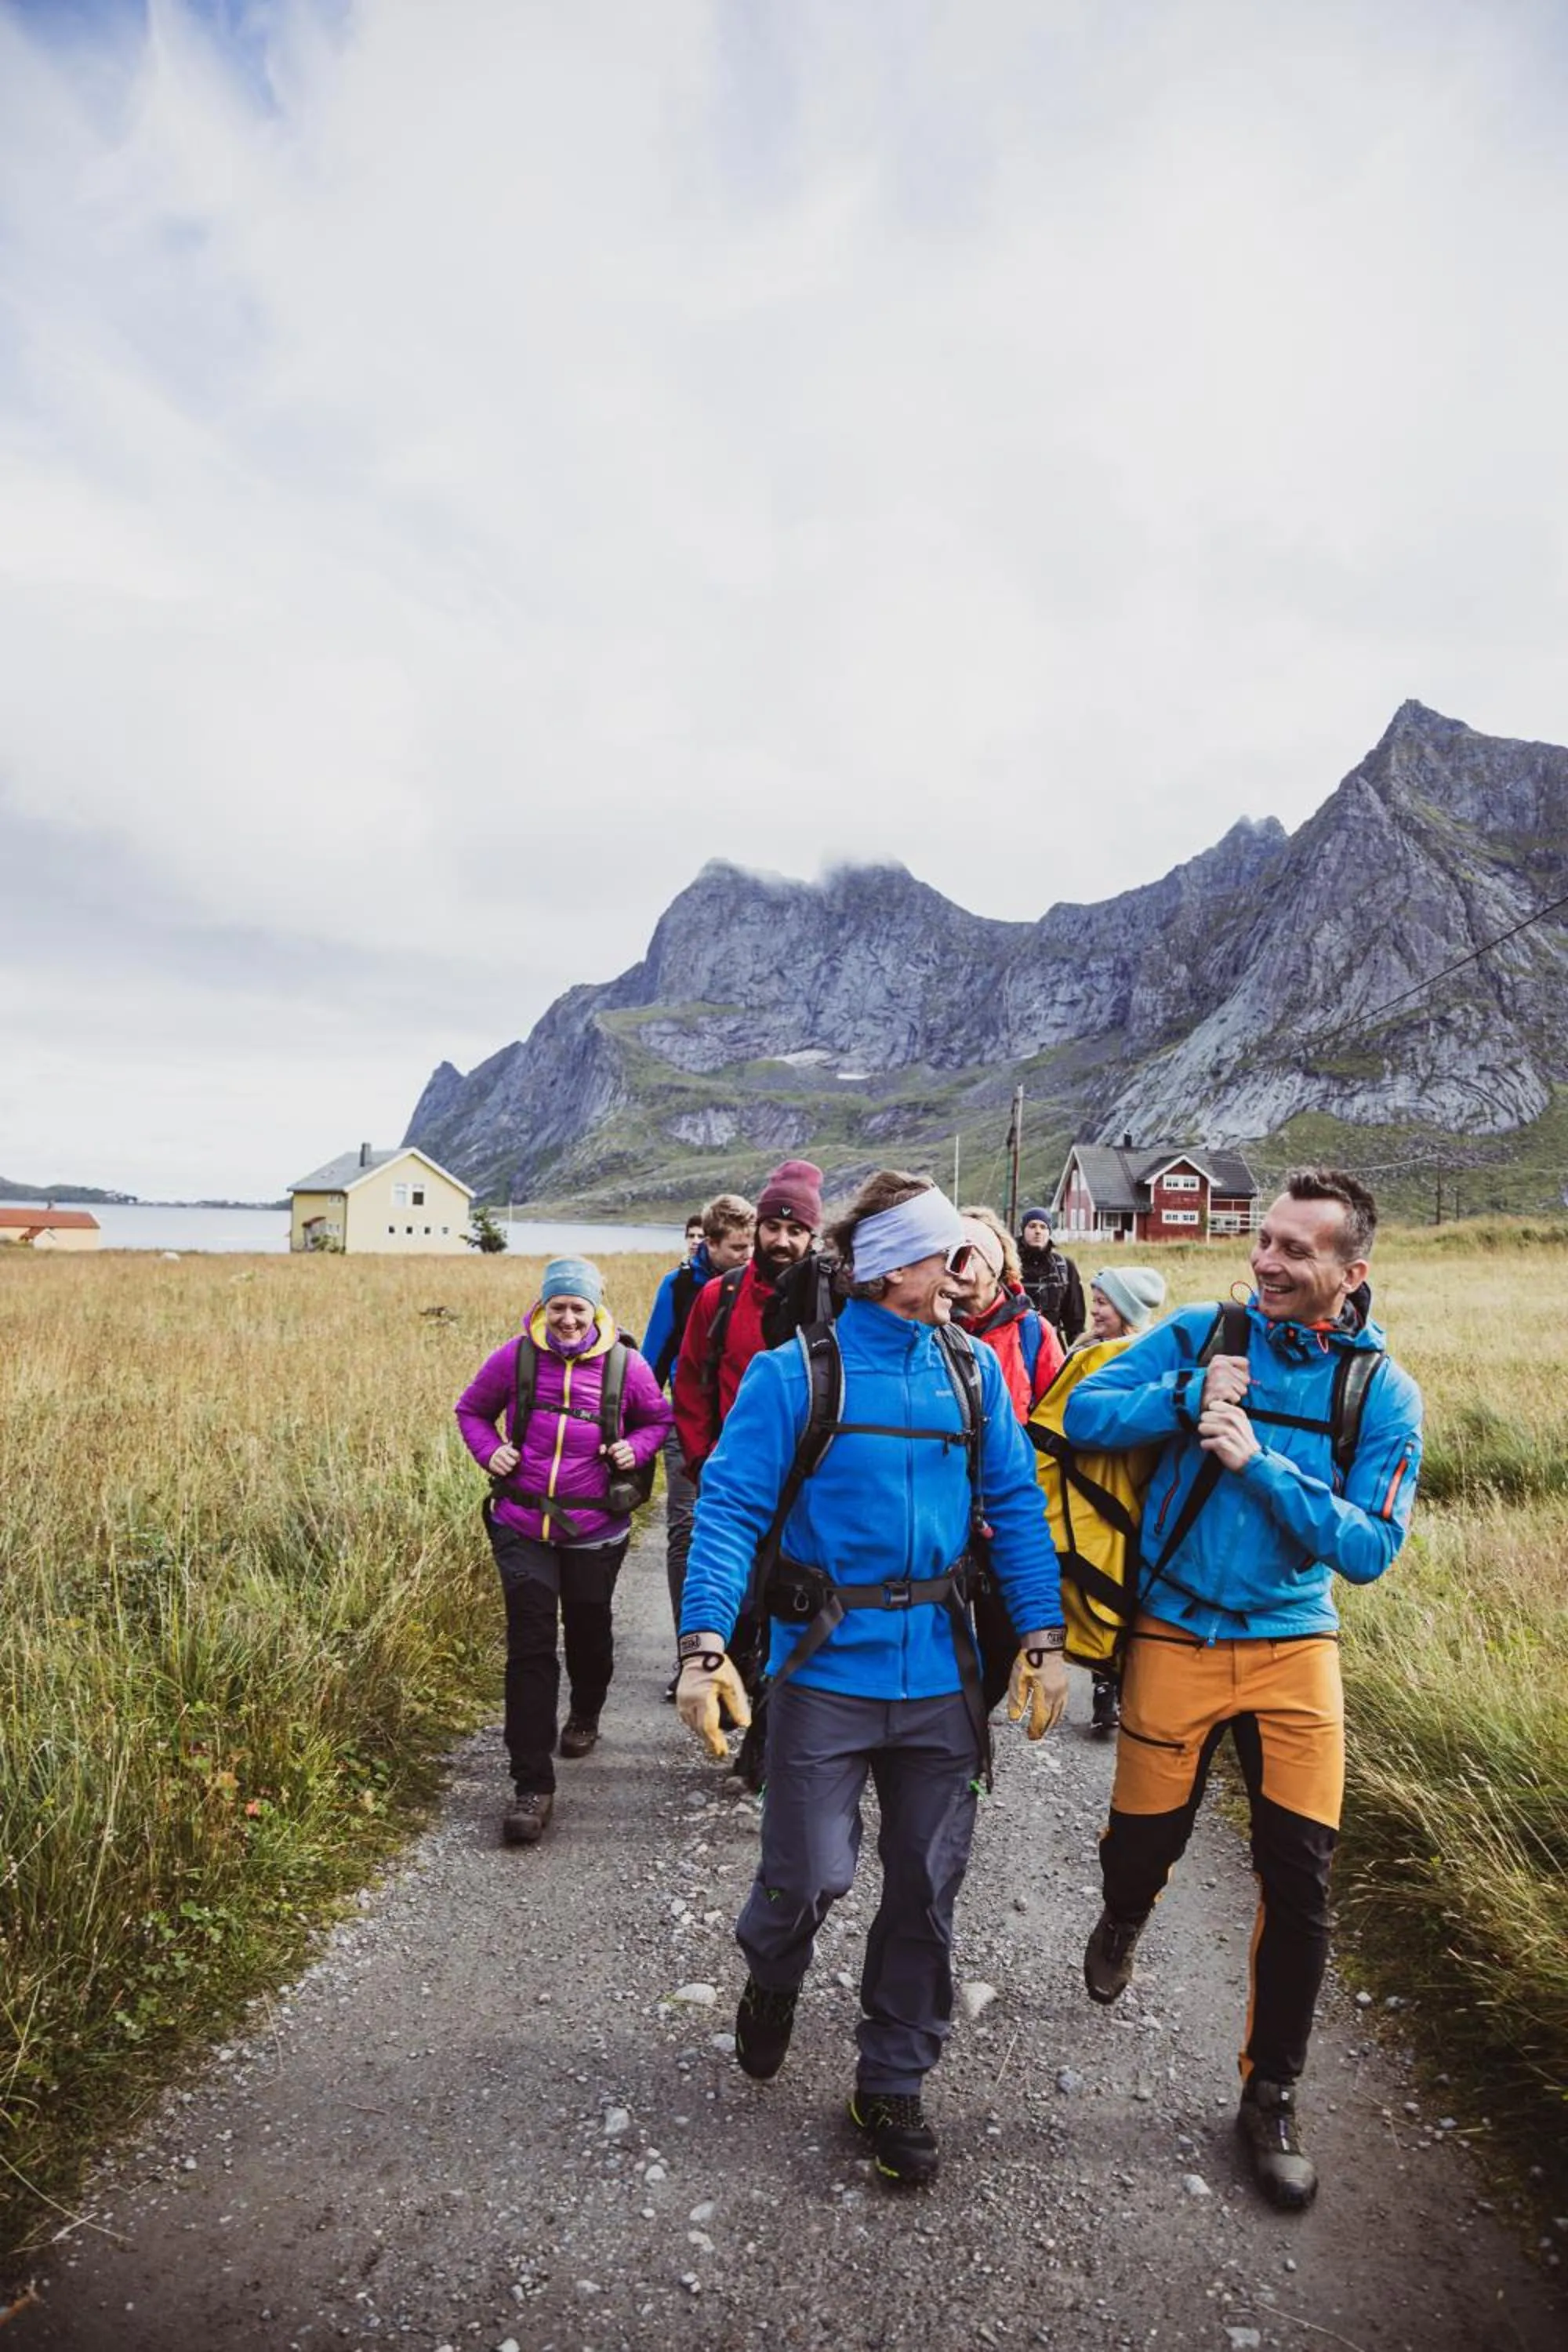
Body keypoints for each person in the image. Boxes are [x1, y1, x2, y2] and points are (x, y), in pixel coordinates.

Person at [675, 1172, 1069, 2187]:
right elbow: (725, 1511)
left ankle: (891, 2079)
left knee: (927, 1889)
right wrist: (705, 1646)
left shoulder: (975, 1373)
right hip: (824, 1671)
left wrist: (1041, 1636)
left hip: (944, 1679)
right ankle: (773, 1973)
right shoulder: (792, 1377)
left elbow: (1019, 1513)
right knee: (808, 1875)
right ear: (895, 1267)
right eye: (949, 1256)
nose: (965, 1275)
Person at [1062, 1170, 1422, 2210]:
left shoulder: (1379, 1395)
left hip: (1293, 1650)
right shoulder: (1203, 1331)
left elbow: (1368, 1547)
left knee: (1301, 1883)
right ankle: (1124, 1917)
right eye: (1264, 1240)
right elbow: (1086, 1412)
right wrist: (1186, 1398)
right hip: (1172, 1633)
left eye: (1295, 1251)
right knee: (1142, 1848)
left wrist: (1259, 1461)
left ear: (1351, 1274)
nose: (1266, 1262)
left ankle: (1270, 2095)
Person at [455, 1256, 672, 1847]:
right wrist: (491, 1452)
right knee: (529, 1647)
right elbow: (471, 1410)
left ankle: (586, 1711)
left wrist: (633, 1446)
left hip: (596, 1528)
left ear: (596, 1308)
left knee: (588, 1628)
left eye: (578, 1307)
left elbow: (659, 1419)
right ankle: (532, 1785)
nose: (568, 1319)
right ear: (543, 1308)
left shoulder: (627, 1366)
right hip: (522, 1522)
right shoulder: (516, 1358)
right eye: (558, 1307)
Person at [673, 1160, 822, 1688]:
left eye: (796, 1230)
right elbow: (690, 1382)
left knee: (793, 1614)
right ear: (756, 1228)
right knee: (733, 1601)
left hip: (808, 1489)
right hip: (734, 1479)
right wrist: (701, 1460)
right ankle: (715, 1685)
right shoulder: (722, 1296)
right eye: (773, 1227)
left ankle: (766, 1742)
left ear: (813, 1236)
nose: (782, 1241)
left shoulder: (832, 1302)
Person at [952, 1207, 1065, 1709]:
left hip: (1005, 1504)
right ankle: (948, 1733)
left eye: (974, 1250)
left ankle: (974, 1716)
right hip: (944, 1505)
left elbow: (1058, 1416)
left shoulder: (1033, 1333)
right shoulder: (926, 1324)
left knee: (1000, 1641)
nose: (962, 1263)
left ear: (999, 1261)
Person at [641, 1194, 755, 1678]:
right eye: (736, 1248)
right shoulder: (680, 1287)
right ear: (708, 1244)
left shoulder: (765, 1285)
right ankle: (692, 1654)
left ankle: (747, 1653)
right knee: (689, 1534)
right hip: (687, 1428)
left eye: (752, 1246)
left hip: (747, 1431)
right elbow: (653, 1363)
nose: (747, 1257)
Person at [1075, 1265, 1167, 1733]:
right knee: (1102, 1585)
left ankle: (1129, 1685)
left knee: (1128, 1588)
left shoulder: (1148, 1359)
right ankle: (1104, 1687)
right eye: (1094, 1300)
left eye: (1104, 1303)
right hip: (1096, 1495)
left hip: (1137, 1494)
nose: (1095, 1310)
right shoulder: (1083, 1350)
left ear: (1127, 1309)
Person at [1017, 1208, 1085, 1347]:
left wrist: (1077, 1354)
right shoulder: (1008, 1264)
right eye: (1032, 1226)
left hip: (1052, 1346)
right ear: (1023, 1230)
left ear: (1049, 1232)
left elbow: (1075, 1322)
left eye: (1043, 1227)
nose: (1038, 1231)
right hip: (1015, 1344)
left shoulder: (1064, 1267)